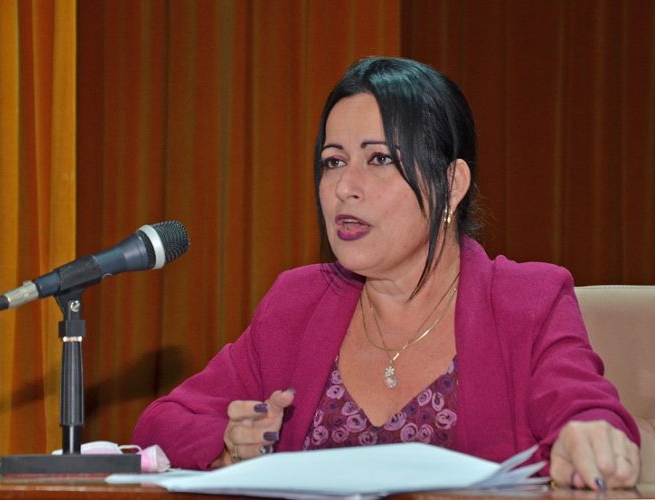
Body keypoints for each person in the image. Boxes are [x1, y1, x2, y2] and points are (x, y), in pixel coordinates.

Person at [132, 57, 640, 490]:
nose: (344, 187)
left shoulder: (528, 299)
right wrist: (229, 443)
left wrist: (590, 434)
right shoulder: (296, 303)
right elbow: (161, 424)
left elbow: (585, 407)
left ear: (452, 183)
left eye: (378, 159)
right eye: (333, 162)